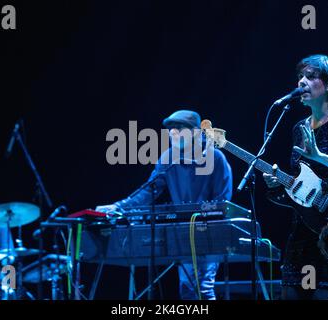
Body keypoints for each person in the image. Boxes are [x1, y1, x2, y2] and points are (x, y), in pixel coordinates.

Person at [263, 54, 328, 300]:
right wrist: (277, 184)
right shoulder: (299, 128)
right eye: (300, 76)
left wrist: (320, 156)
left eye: (310, 77)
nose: (302, 82)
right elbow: (301, 186)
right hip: (304, 230)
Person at [97, 110, 233, 300]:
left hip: (207, 232)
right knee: (187, 288)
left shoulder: (215, 158)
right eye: (170, 129)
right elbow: (149, 191)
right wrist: (119, 207)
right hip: (183, 232)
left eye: (178, 128)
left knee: (200, 288)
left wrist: (202, 215)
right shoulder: (168, 158)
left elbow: (222, 202)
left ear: (195, 132)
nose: (172, 133)